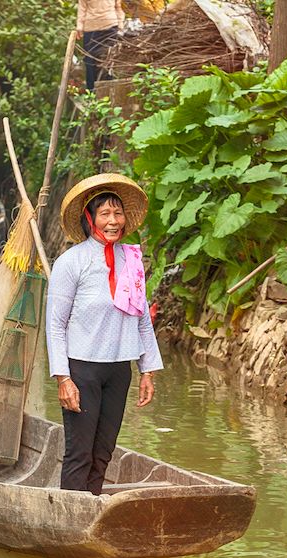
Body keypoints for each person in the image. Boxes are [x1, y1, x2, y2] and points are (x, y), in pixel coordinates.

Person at [46, 173, 163, 495]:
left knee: (104, 451)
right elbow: (55, 325)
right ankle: (69, 515)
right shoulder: (71, 262)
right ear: (90, 218)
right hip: (82, 369)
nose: (113, 221)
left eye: (118, 213)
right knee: (79, 453)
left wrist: (147, 369)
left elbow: (141, 316)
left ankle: (92, 504)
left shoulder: (132, 260)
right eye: (105, 214)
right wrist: (63, 378)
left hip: (118, 369)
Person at [77, 0, 124, 91]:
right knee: (92, 61)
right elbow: (82, 7)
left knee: (108, 61)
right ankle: (94, 92)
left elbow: (119, 7)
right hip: (93, 28)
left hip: (109, 26)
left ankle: (105, 93)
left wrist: (120, 25)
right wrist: (79, 26)